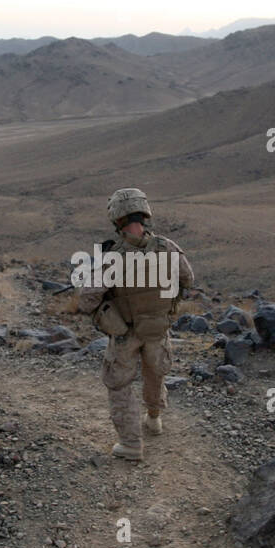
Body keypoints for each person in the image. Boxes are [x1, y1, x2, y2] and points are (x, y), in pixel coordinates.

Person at [77, 188, 194, 461]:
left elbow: (87, 300)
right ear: (144, 213)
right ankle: (154, 418)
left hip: (125, 333)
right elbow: (188, 279)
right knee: (155, 373)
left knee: (120, 384)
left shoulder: (113, 257)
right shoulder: (168, 247)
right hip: (158, 327)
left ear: (116, 220)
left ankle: (130, 444)